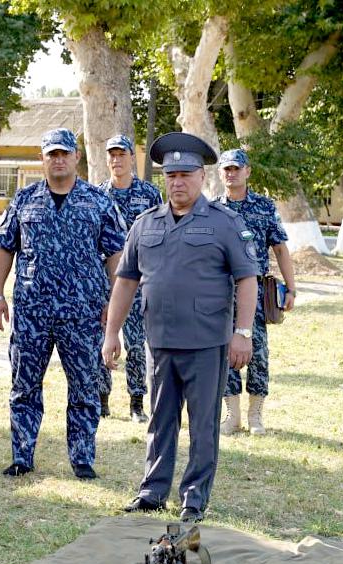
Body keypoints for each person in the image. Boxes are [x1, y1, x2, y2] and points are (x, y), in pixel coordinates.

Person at [102, 132, 259, 523]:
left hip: (207, 343)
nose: (177, 182)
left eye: (186, 174)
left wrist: (243, 333)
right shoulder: (144, 224)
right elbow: (126, 280)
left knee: (203, 425)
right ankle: (153, 491)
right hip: (160, 341)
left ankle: (194, 497)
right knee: (159, 420)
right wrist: (111, 332)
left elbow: (247, 279)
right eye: (170, 175)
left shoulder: (224, 223)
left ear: (201, 176)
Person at [0, 128, 125, 479]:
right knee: (24, 386)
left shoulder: (98, 201)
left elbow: (116, 255)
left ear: (76, 157)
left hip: (83, 312)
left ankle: (82, 459)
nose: (58, 159)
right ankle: (22, 456)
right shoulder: (24, 201)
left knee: (84, 386)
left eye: (64, 153)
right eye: (52, 154)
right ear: (43, 159)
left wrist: (114, 302)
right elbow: (5, 248)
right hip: (32, 311)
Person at [214, 148, 297, 435]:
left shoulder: (263, 206)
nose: (231, 173)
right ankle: (232, 415)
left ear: (247, 171)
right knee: (225, 351)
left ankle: (256, 415)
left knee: (258, 353)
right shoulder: (213, 209)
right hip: (222, 292)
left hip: (257, 293)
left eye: (236, 168)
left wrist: (291, 289)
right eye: (226, 169)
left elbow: (280, 248)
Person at [96, 134, 161, 423]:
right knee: (101, 338)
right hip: (103, 280)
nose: (116, 159)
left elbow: (162, 234)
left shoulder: (149, 194)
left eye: (121, 154)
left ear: (131, 157)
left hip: (139, 279)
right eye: (112, 154)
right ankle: (101, 400)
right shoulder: (96, 194)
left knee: (136, 342)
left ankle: (136, 402)